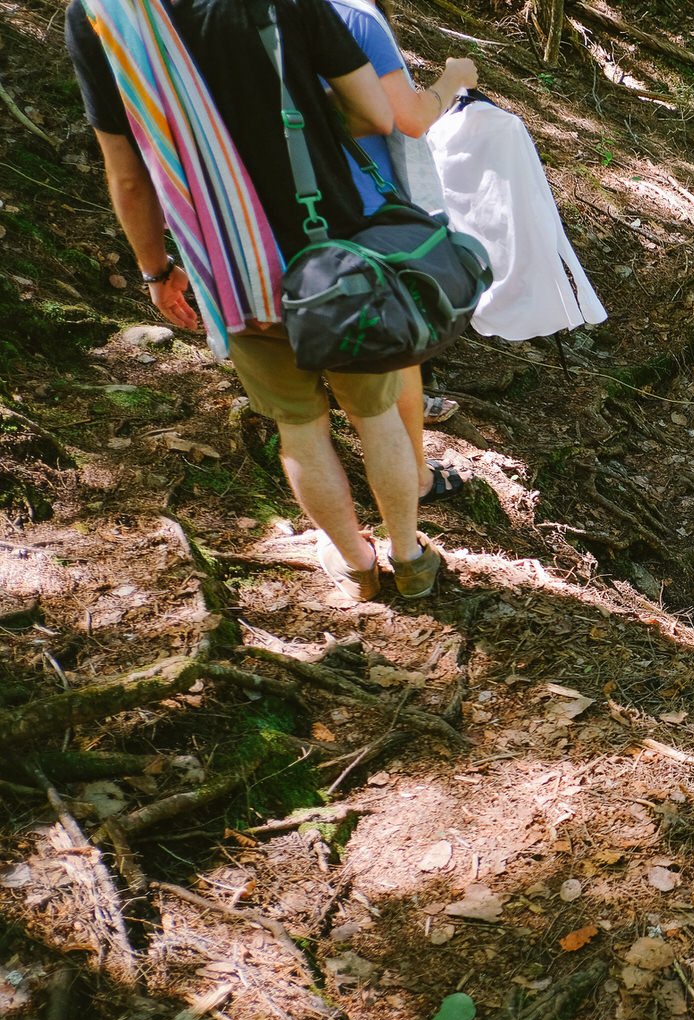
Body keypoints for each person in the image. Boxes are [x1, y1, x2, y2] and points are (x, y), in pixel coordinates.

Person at [66, 0, 443, 600]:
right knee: (375, 414)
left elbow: (129, 174)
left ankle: (354, 566)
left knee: (300, 426)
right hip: (333, 251)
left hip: (232, 268)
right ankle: (410, 558)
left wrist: (156, 270)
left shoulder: (102, 16)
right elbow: (375, 114)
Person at [326, 0, 475, 506]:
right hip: (368, 206)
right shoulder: (356, 17)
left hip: (291, 206)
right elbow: (406, 118)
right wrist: (452, 78)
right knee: (397, 347)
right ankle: (413, 477)